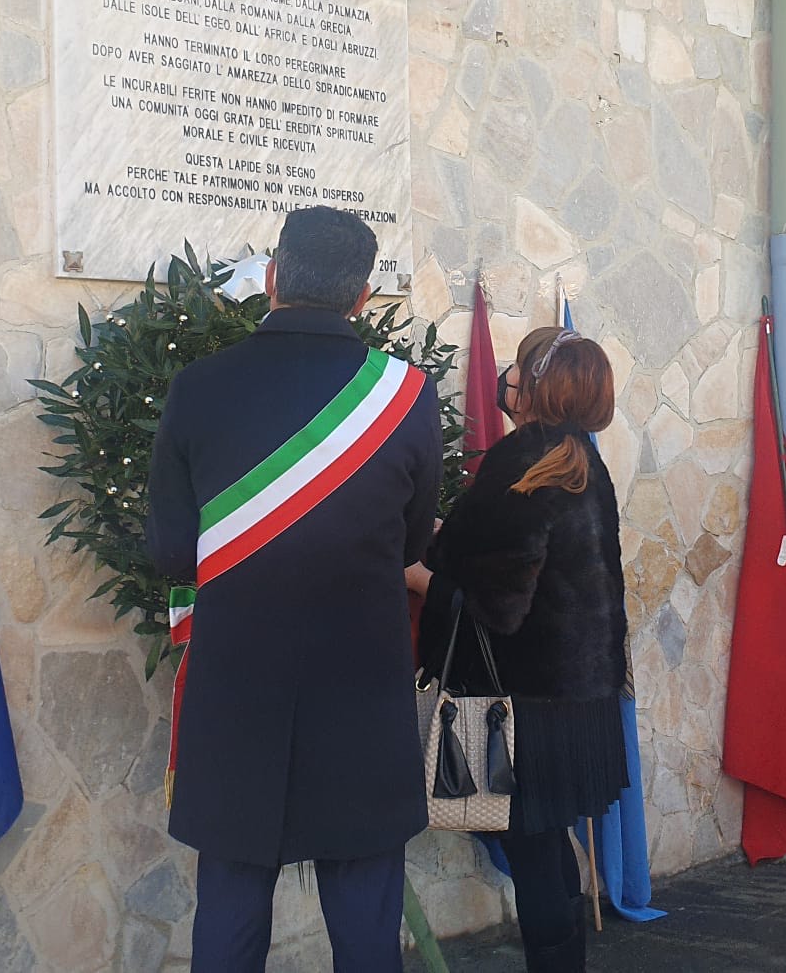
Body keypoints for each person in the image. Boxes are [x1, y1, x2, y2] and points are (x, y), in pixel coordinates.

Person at [147, 206, 442, 973]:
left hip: (237, 685)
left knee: (231, 912)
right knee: (367, 920)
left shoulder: (197, 386)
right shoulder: (406, 395)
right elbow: (413, 543)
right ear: (362, 298)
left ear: (273, 277)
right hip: (361, 689)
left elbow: (173, 552)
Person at [409, 326, 629, 973]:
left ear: (533, 385)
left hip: (522, 704)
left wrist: (416, 576)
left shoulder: (523, 461)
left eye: (517, 366)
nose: (504, 375)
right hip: (580, 700)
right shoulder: (582, 461)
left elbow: (497, 605)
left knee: (534, 860)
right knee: (549, 850)